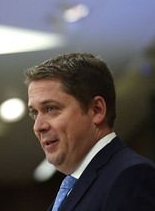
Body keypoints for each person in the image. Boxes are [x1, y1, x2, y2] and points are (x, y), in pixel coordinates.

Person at [24, 52, 155, 210]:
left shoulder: (131, 176)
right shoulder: (71, 189)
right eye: (34, 113)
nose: (38, 126)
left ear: (97, 110)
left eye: (51, 109)